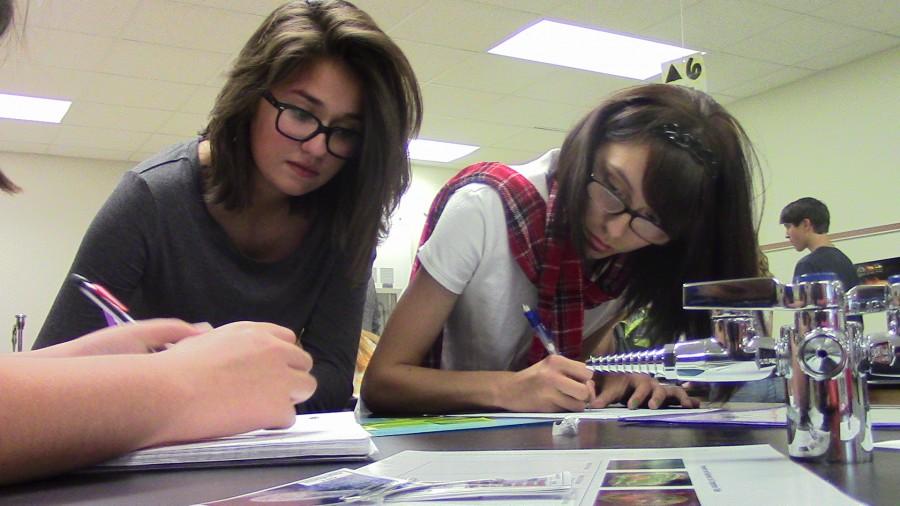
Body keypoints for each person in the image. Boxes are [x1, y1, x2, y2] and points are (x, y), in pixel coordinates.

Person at [33, 0, 422, 413]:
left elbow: (331, 378)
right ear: (252, 97)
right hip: (146, 439)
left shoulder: (346, 220)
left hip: (266, 452)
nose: (317, 147)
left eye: (344, 132)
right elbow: (51, 374)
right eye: (300, 113)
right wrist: (203, 385)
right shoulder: (150, 198)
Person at [362, 84, 761, 414]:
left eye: (653, 221)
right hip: (432, 442)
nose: (615, 228)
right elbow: (383, 381)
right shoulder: (485, 207)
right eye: (612, 187)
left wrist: (614, 376)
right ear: (587, 148)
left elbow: (580, 357)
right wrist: (506, 389)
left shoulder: (642, 255)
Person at [780, 197, 859, 290]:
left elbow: (803, 303)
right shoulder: (844, 261)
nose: (787, 234)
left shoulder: (807, 265)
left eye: (788, 226)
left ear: (806, 224)